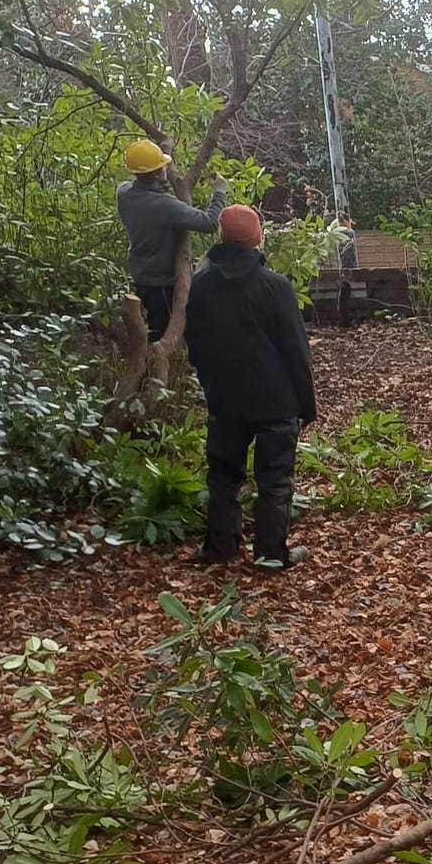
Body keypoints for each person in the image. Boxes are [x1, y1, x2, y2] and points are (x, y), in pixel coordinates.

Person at [183, 204, 317, 568]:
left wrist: (211, 384)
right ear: (257, 240)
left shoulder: (201, 287)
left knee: (223, 477)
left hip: (225, 401)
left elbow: (195, 344)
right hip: (277, 402)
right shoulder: (275, 287)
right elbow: (296, 351)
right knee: (274, 480)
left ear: (222, 237)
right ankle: (270, 555)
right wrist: (307, 406)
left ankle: (219, 549)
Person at [117, 140, 227, 341]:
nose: (167, 167)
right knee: (161, 335)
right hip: (162, 283)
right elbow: (210, 223)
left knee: (151, 328)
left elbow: (149, 194)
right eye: (163, 166)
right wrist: (219, 193)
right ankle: (155, 370)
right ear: (158, 174)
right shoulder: (164, 206)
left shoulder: (123, 193)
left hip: (141, 275)